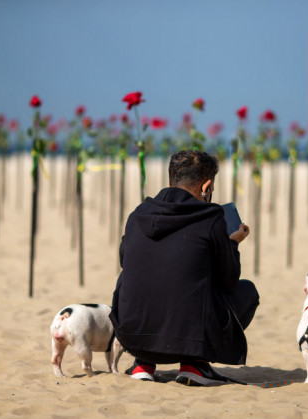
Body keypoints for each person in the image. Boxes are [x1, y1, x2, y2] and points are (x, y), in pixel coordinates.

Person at [109, 149, 260, 386]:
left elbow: (124, 260)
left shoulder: (138, 215)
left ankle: (143, 363)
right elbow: (228, 280)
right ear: (206, 186)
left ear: (172, 179)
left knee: (133, 274)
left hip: (132, 335)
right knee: (247, 291)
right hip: (188, 339)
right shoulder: (211, 218)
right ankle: (195, 364)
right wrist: (232, 244)